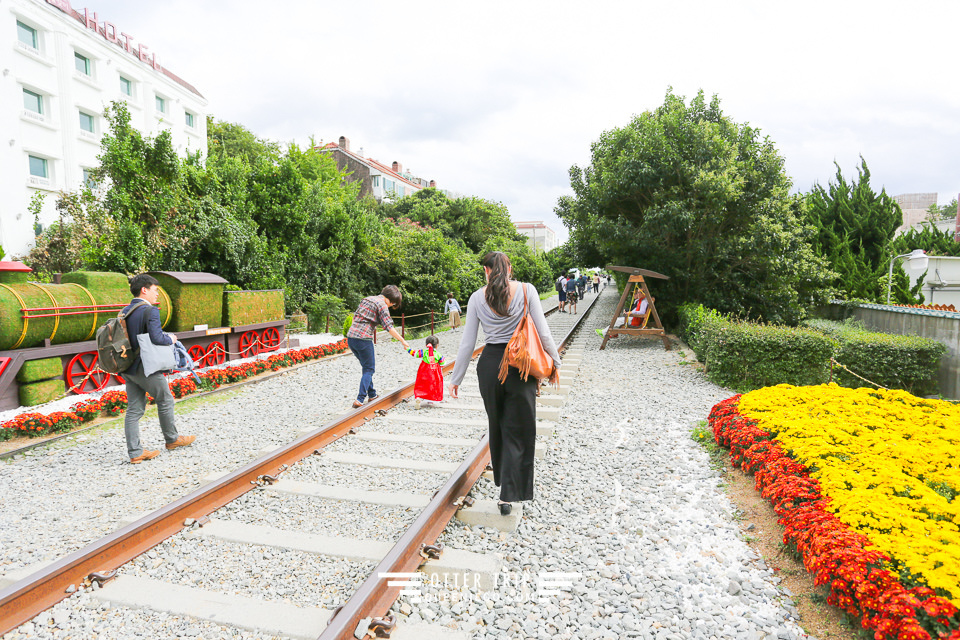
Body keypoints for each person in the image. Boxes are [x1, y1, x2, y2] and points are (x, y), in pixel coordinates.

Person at [449, 252, 561, 515]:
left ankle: (504, 483)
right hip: (520, 365)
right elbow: (543, 331)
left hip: (489, 366)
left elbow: (468, 342)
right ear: (509, 268)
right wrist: (555, 362)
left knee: (498, 426)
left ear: (487, 271)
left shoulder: (477, 297)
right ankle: (507, 494)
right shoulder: (526, 289)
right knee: (519, 429)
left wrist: (456, 378)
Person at [122, 274, 195, 464]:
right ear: (144, 290)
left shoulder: (125, 311)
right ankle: (172, 440)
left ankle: (135, 452)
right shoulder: (150, 311)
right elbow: (156, 338)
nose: (157, 295)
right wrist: (171, 338)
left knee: (134, 410)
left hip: (128, 367)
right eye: (155, 290)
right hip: (147, 367)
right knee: (165, 399)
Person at [347, 285, 410, 409]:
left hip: (351, 338)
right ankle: (360, 399)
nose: (391, 306)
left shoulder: (367, 299)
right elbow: (389, 327)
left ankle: (372, 394)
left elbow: (356, 317)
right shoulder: (382, 305)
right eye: (393, 304)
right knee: (369, 369)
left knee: (366, 368)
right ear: (391, 300)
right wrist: (402, 340)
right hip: (363, 339)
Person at [408, 335, 445, 409]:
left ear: (426, 344)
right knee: (432, 385)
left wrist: (408, 349)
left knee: (421, 384)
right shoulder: (438, 355)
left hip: (423, 373)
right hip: (434, 374)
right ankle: (430, 399)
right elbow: (442, 363)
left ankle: (418, 397)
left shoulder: (423, 352)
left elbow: (414, 353)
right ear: (437, 345)